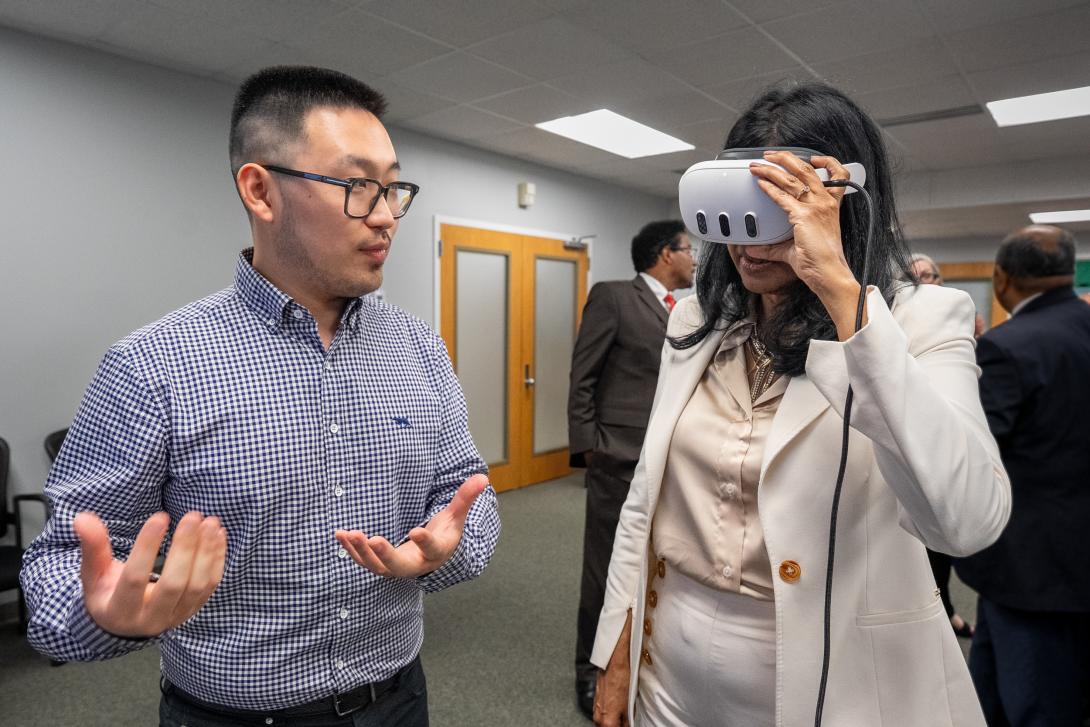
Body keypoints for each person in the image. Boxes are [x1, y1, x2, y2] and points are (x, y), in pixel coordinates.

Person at [20, 66, 500, 727]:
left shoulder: (420, 349)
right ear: (260, 191)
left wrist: (446, 548)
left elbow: (467, 491)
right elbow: (56, 564)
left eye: (393, 188)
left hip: (397, 698)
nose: (387, 215)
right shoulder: (152, 366)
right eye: (359, 186)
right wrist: (103, 614)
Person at [591, 82, 1010, 727]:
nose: (749, 246)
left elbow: (966, 523)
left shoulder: (923, 321)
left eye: (778, 210)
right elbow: (646, 501)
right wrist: (616, 657)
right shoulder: (700, 320)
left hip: (832, 675)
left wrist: (845, 299)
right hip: (669, 665)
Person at [955, 225, 1090, 726]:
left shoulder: (1007, 346)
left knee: (1035, 702)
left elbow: (977, 450)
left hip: (1030, 564)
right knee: (994, 688)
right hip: (1069, 559)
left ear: (1001, 278)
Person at [568, 220, 695, 718]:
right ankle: (588, 671)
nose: (694, 260)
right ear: (665, 254)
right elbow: (584, 376)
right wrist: (590, 449)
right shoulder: (614, 297)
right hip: (617, 458)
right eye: (689, 250)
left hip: (668, 463)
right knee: (604, 571)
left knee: (658, 566)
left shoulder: (687, 311)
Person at [908, 252, 977, 640]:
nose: (920, 284)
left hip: (945, 455)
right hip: (902, 455)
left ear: (940, 280)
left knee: (941, 548)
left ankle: (945, 611)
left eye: (927, 276)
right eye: (911, 277)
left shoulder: (954, 329)